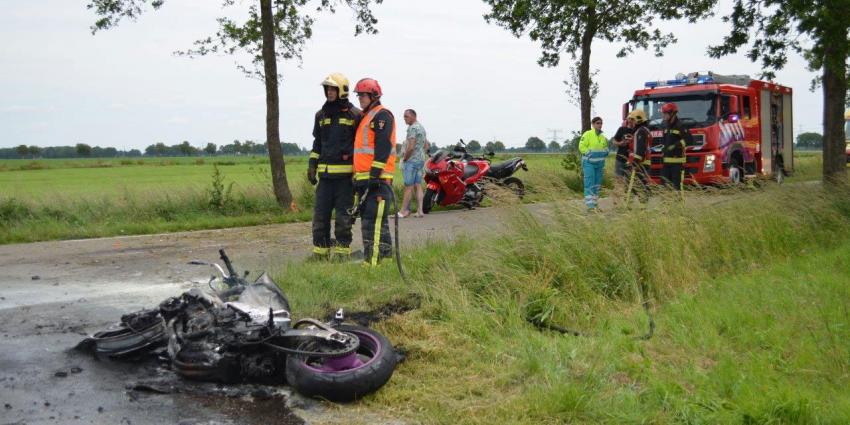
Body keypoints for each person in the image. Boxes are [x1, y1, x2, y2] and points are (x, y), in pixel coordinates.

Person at [307, 73, 361, 260]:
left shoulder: (355, 115)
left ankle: (341, 254)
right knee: (320, 216)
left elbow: (361, 147)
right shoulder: (320, 115)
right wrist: (312, 164)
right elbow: (317, 144)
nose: (329, 92)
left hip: (346, 180)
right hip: (325, 178)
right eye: (327, 89)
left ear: (342, 91)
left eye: (333, 89)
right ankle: (320, 254)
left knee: (343, 219)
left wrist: (358, 174)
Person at [352, 78, 397, 266]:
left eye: (363, 95)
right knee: (375, 221)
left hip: (377, 180)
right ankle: (385, 259)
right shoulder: (366, 117)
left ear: (374, 95)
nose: (360, 98)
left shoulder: (382, 115)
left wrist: (374, 174)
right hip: (365, 180)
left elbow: (383, 146)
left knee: (373, 222)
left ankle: (372, 262)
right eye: (359, 95)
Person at [397, 109, 429, 218]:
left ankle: (403, 211)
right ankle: (420, 211)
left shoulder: (412, 128)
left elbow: (410, 147)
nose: (404, 119)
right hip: (420, 160)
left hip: (411, 161)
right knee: (418, 185)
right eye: (404, 117)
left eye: (406, 116)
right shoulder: (422, 128)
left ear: (413, 116)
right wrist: (421, 153)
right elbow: (426, 145)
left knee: (408, 186)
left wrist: (405, 158)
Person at [660, 102, 693, 194]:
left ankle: (679, 207)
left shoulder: (680, 126)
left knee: (677, 189)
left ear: (672, 113)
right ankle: (667, 207)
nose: (663, 115)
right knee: (664, 188)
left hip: (677, 164)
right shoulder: (665, 126)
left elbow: (689, 140)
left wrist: (676, 145)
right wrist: (663, 149)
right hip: (666, 164)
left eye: (665, 113)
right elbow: (664, 142)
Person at [578, 116, 609, 210]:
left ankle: (595, 205)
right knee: (589, 184)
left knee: (597, 185)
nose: (600, 125)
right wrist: (589, 153)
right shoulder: (587, 134)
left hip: (599, 165)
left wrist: (606, 151)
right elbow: (581, 146)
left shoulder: (603, 137)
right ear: (593, 124)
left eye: (601, 123)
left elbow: (606, 148)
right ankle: (590, 207)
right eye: (598, 123)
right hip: (589, 163)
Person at [626, 109, 651, 204]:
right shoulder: (645, 130)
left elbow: (640, 150)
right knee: (642, 185)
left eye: (632, 120)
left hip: (640, 163)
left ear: (638, 120)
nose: (630, 122)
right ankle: (642, 206)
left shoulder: (640, 131)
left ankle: (631, 206)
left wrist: (635, 163)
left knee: (638, 185)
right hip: (644, 162)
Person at [612, 118, 635, 187]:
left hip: (632, 160)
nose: (631, 120)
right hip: (620, 158)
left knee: (630, 181)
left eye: (633, 119)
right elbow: (614, 141)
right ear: (627, 119)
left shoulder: (637, 130)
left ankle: (626, 196)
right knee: (619, 179)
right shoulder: (621, 129)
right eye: (630, 118)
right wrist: (620, 143)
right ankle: (619, 195)